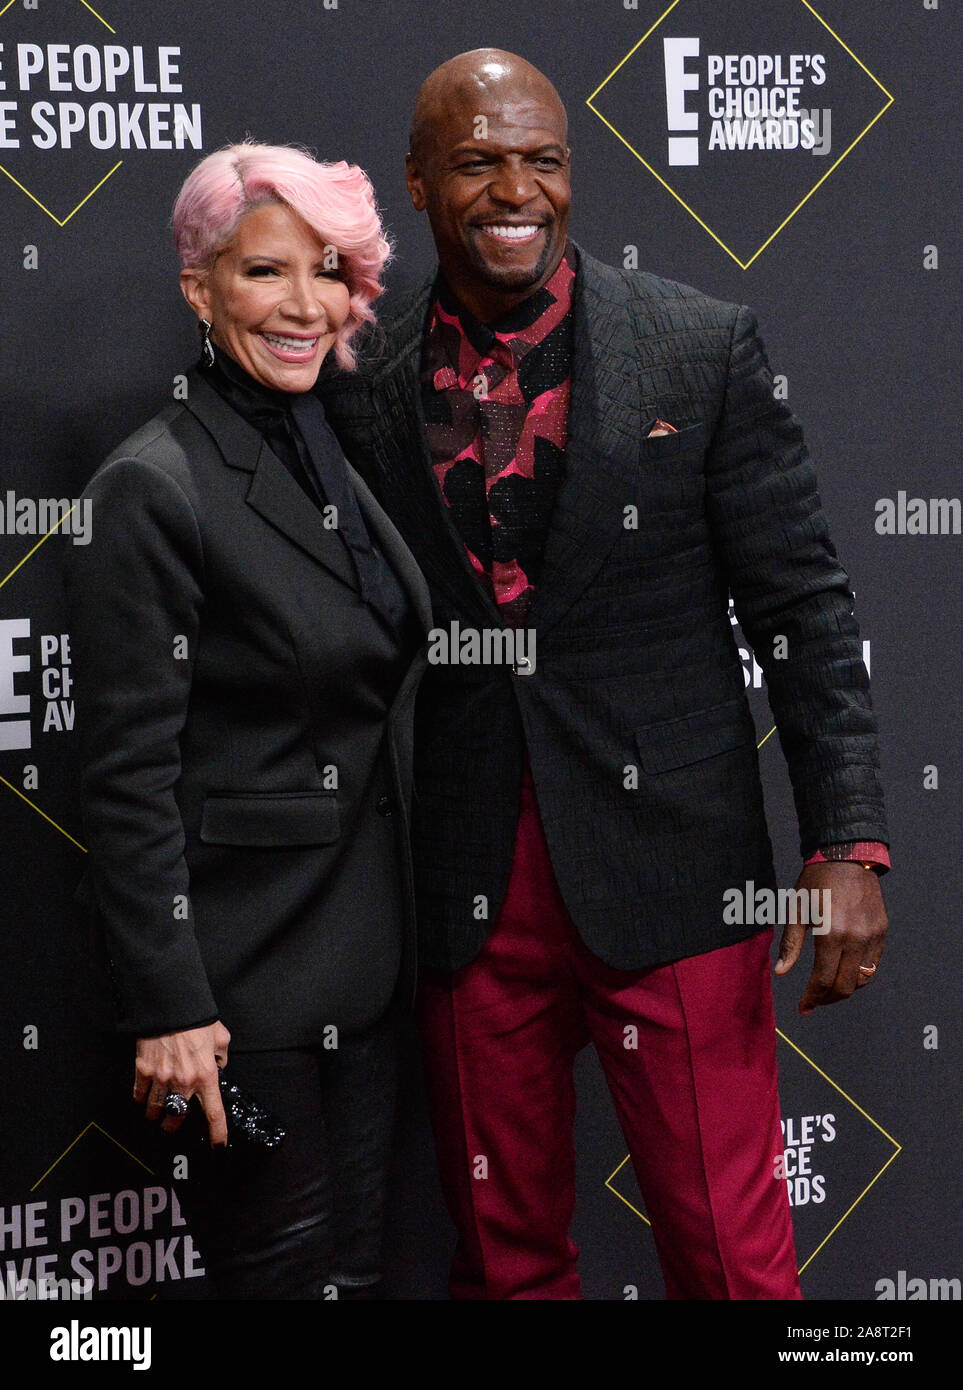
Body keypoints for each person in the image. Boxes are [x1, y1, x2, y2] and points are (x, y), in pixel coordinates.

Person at [317, 50, 891, 1300]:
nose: (517, 187)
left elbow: (801, 606)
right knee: (504, 1260)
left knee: (734, 1258)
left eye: (543, 159)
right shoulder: (357, 372)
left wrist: (846, 841)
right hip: (466, 881)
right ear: (418, 181)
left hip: (674, 870)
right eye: (477, 161)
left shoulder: (697, 344)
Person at [64, 142, 430, 1300]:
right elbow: (125, 778)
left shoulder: (329, 443)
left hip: (367, 967)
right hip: (242, 999)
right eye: (266, 272)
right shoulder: (154, 482)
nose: (304, 305)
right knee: (278, 1277)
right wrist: (171, 1006)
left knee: (357, 1274)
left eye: (328, 272)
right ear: (200, 285)